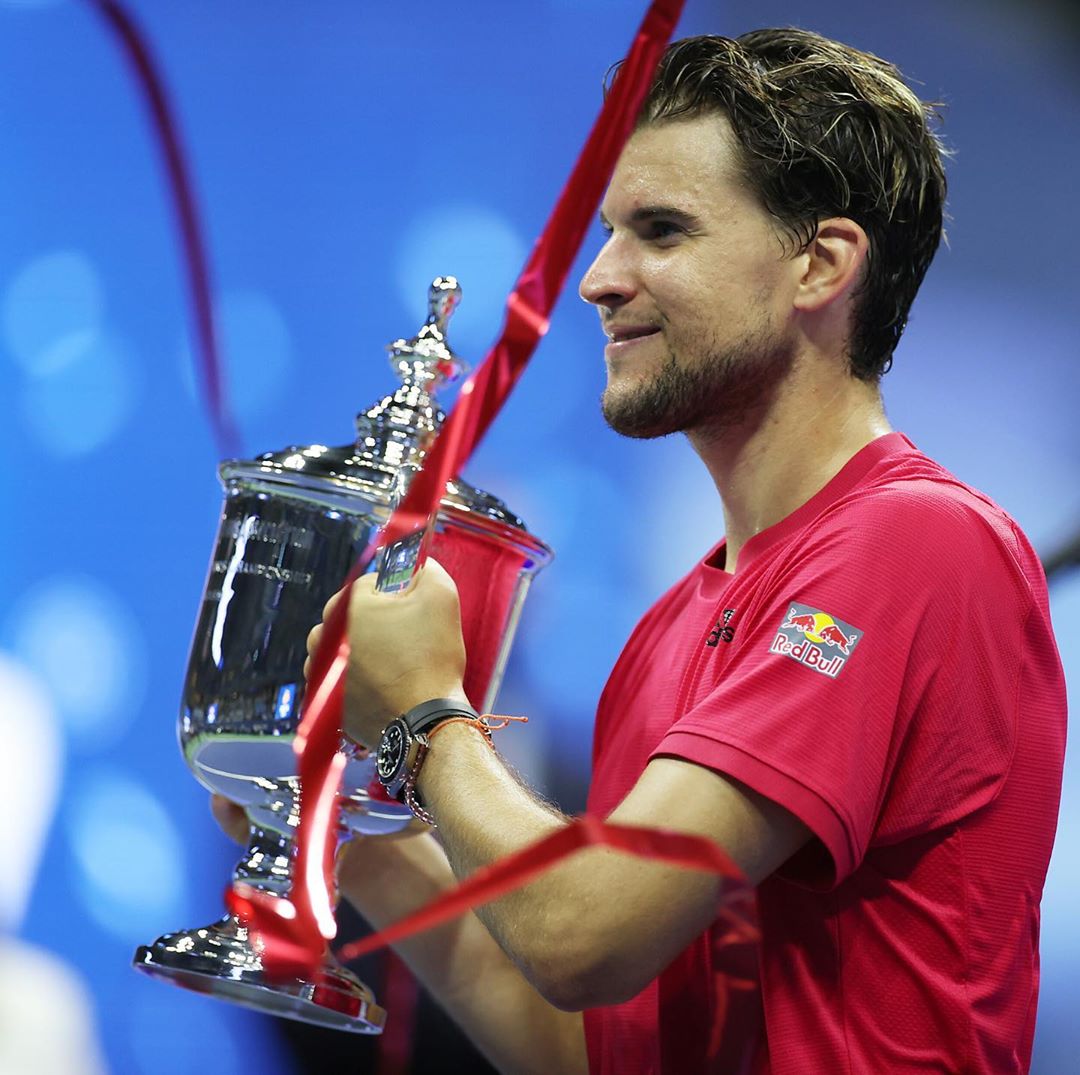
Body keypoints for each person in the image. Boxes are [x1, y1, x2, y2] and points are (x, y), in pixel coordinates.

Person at [216, 29, 1067, 1075]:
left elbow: (586, 935)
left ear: (822, 264)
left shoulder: (917, 541)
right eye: (610, 230)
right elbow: (584, 1043)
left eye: (661, 230)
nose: (599, 278)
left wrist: (429, 718)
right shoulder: (671, 628)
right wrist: (351, 834)